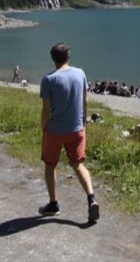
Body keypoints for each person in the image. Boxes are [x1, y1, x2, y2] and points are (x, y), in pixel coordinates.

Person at [38, 42, 100, 223]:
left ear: (52, 58)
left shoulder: (48, 79)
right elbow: (85, 102)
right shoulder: (80, 73)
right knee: (78, 164)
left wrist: (44, 127)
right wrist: (83, 123)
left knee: (50, 165)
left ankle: (53, 204)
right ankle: (91, 199)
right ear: (68, 56)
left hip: (55, 130)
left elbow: (46, 110)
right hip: (76, 128)